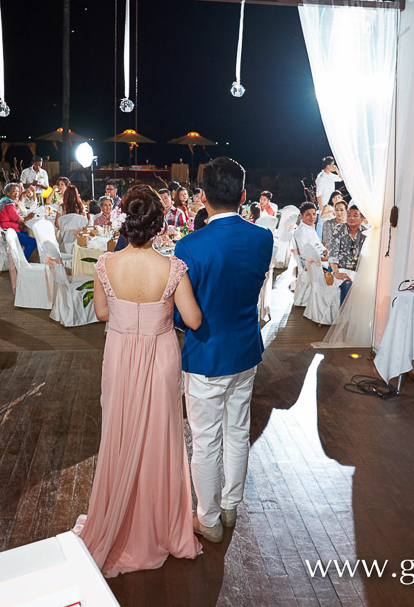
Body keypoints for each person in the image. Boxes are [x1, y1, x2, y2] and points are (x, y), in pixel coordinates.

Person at [74, 186, 203, 577]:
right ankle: (158, 526)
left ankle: (118, 521)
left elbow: (99, 313)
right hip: (161, 355)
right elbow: (194, 321)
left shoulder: (105, 265)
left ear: (125, 222)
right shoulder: (173, 268)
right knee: (159, 438)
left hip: (120, 354)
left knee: (119, 432)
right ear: (160, 224)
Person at [174, 157, 273, 544]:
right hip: (245, 350)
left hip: (206, 354)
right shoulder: (262, 238)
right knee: (237, 431)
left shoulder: (189, 245)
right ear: (243, 195)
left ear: (202, 197)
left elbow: (187, 312)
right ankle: (230, 506)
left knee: (205, 439)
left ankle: (209, 519)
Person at [328, 206, 366, 305]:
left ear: (362, 219)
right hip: (339, 268)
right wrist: (336, 272)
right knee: (347, 284)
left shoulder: (365, 233)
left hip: (356, 272)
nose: (351, 218)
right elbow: (332, 253)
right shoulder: (339, 229)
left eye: (355, 215)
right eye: (349, 215)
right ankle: (343, 317)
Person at [0, 183, 37, 260]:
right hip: (8, 231)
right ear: (8, 193)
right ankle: (22, 262)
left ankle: (19, 257)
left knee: (28, 234)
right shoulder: (9, 203)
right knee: (33, 242)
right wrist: (29, 217)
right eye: (14, 191)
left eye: (18, 192)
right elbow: (18, 220)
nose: (17, 194)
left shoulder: (3, 200)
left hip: (3, 229)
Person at [314, 156, 343, 237]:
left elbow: (341, 178)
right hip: (323, 204)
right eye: (332, 165)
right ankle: (318, 244)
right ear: (328, 166)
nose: (333, 166)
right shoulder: (321, 178)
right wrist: (321, 208)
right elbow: (318, 195)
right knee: (321, 225)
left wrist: (336, 170)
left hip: (330, 205)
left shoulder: (330, 175)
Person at [294, 201, 325, 269]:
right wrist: (326, 259)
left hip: (319, 259)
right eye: (308, 215)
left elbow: (318, 244)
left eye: (314, 214)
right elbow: (305, 254)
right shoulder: (300, 232)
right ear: (301, 216)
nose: (312, 217)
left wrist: (326, 252)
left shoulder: (310, 227)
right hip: (311, 265)